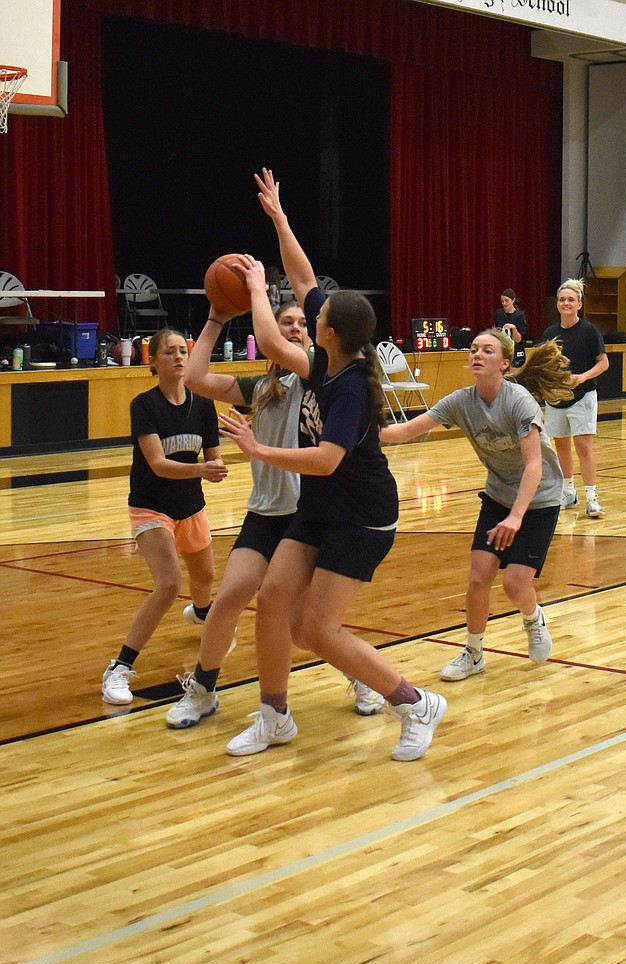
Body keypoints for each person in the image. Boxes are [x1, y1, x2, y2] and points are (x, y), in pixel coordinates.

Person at [214, 167, 446, 761]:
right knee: (272, 599)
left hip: (364, 516)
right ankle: (274, 716)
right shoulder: (330, 353)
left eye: (316, 317)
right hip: (322, 509)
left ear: (332, 333)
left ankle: (415, 702)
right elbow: (306, 275)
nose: (309, 314)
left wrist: (262, 450)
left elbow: (325, 458)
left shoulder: (347, 387)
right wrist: (279, 218)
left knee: (314, 628)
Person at [165, 298, 386, 729]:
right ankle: (204, 691)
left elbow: (278, 347)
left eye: (304, 323)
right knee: (229, 597)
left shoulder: (319, 377)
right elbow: (194, 377)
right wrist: (215, 318)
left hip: (309, 516)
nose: (295, 328)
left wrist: (254, 292)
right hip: (266, 514)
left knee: (306, 622)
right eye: (286, 322)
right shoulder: (261, 389)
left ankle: (363, 677)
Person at [379, 329, 574, 682]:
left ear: (504, 363)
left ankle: (533, 619)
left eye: (487, 350)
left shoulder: (519, 402)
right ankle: (474, 652)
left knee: (515, 585)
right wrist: (360, 427)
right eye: (473, 350)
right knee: (478, 576)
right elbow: (406, 431)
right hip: (499, 497)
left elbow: (535, 465)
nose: (477, 355)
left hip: (539, 498)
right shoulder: (460, 402)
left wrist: (517, 517)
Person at [100, 329, 228, 705]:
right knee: (170, 582)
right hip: (150, 505)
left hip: (191, 506)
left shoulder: (203, 405)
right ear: (152, 360)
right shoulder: (144, 405)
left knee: (205, 577)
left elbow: (214, 457)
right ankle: (119, 668)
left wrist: (222, 462)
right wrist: (204, 471)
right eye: (169, 352)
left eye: (182, 350)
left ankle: (201, 612)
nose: (178, 357)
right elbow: (157, 464)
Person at [537, 278, 609, 517]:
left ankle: (592, 498)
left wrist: (582, 377)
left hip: (583, 397)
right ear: (557, 304)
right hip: (556, 399)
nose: (566, 303)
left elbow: (603, 363)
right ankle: (568, 492)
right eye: (562, 299)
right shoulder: (550, 333)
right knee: (561, 446)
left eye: (571, 299)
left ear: (579, 303)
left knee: (584, 446)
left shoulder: (589, 331)